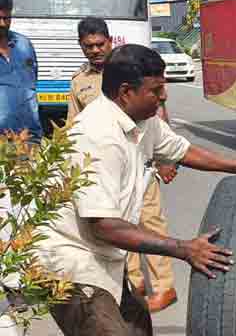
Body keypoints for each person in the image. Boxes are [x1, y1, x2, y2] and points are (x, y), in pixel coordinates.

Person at [37, 44, 236, 336]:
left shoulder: (142, 121)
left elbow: (184, 151)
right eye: (156, 90)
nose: (164, 96)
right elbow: (103, 225)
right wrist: (183, 249)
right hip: (67, 259)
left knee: (137, 327)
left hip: (99, 254)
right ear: (126, 91)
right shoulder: (96, 136)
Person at [69, 17, 180, 312]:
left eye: (99, 44)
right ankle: (132, 284)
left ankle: (164, 287)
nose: (94, 50)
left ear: (109, 41)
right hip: (109, 168)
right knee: (119, 223)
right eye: (88, 46)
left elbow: (157, 116)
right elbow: (72, 126)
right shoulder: (79, 82)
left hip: (142, 162)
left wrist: (165, 159)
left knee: (151, 221)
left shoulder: (137, 69)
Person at [0, 0, 42, 141]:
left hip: (30, 137)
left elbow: (32, 81)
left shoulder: (24, 45)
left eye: (7, 18)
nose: (3, 23)